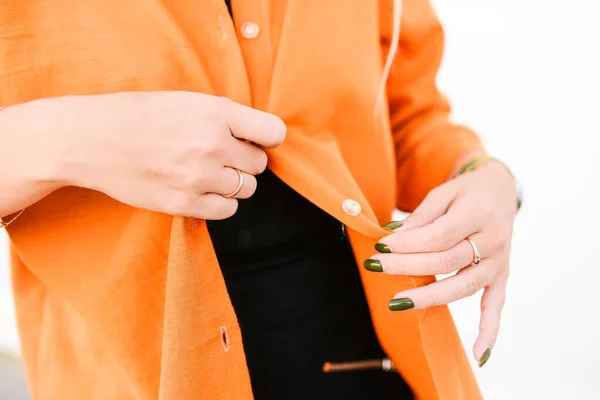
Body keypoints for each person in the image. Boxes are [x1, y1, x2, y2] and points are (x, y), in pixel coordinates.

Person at [0, 0, 520, 399]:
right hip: (136, 377)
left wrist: (480, 175)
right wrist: (77, 138)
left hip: (373, 361)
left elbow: (404, 114)